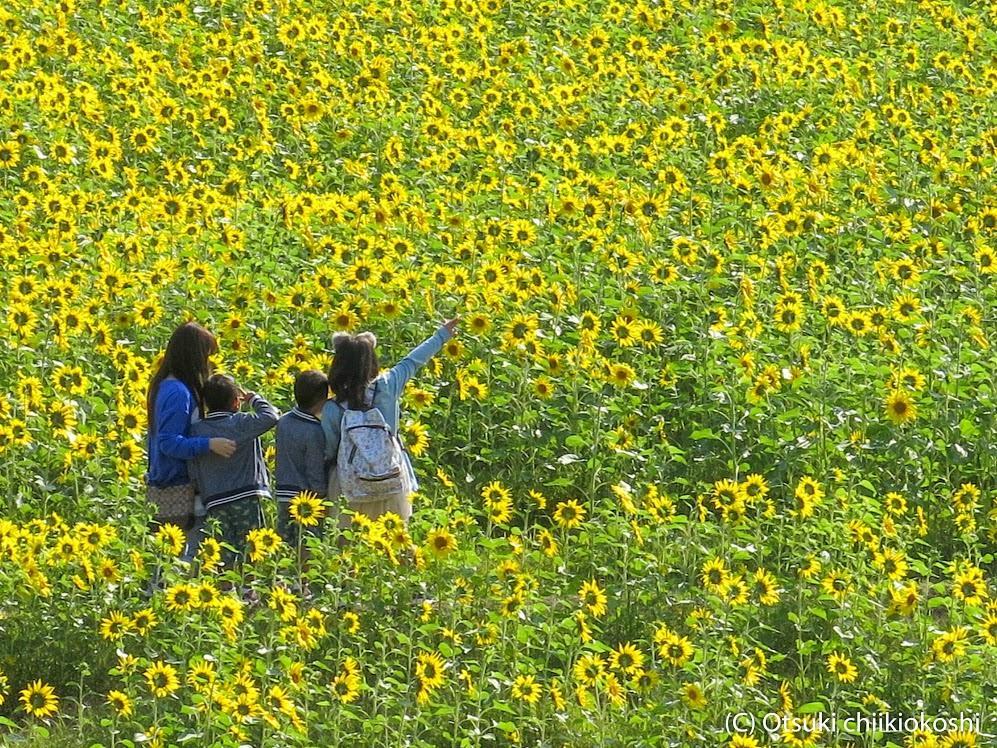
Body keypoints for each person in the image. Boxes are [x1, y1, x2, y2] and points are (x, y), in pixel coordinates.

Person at [322, 318, 460, 526]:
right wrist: (442, 334)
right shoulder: (388, 386)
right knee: (394, 541)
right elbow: (413, 361)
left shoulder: (332, 407)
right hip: (390, 482)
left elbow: (330, 450)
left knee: (349, 547)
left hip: (350, 488)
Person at [146, 323, 236, 553]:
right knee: (182, 558)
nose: (208, 363)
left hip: (174, 483)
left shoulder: (167, 385)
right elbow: (168, 442)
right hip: (178, 485)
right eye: (207, 356)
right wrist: (209, 444)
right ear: (194, 355)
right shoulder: (177, 392)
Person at [188, 374, 279, 568]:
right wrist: (254, 399)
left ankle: (226, 590)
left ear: (205, 404)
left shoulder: (197, 431)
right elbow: (271, 416)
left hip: (215, 500)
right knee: (253, 550)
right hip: (246, 495)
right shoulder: (241, 423)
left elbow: (192, 465)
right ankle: (250, 592)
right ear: (236, 403)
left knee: (223, 555)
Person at [274, 370, 329, 546]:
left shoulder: (283, 421)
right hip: (306, 500)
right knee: (307, 545)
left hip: (283, 492)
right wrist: (321, 494)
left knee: (284, 544)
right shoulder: (314, 431)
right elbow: (314, 469)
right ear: (322, 399)